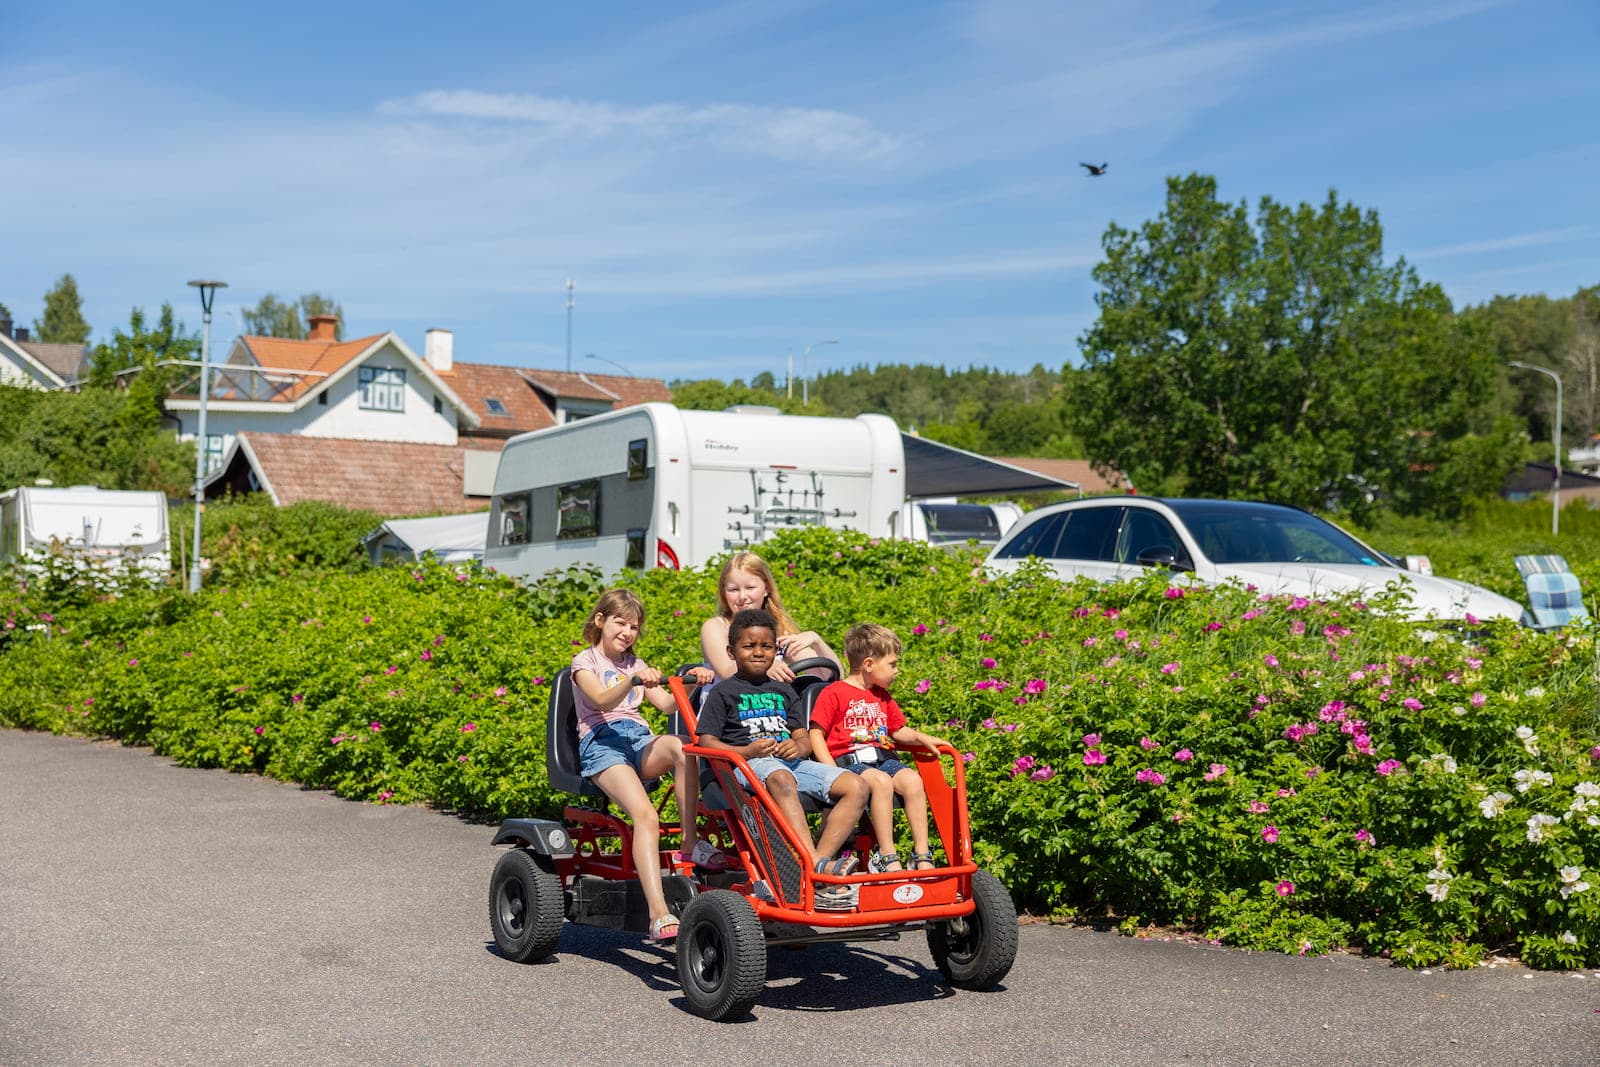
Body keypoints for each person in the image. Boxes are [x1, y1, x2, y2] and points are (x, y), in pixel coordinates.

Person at [571, 588, 721, 944]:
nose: (627, 632)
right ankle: (658, 914)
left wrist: (694, 681)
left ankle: (689, 843)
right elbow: (602, 698)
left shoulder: (635, 663)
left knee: (681, 747)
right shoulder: (585, 663)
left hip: (636, 739)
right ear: (600, 621)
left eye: (634, 626)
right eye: (620, 622)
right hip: (602, 744)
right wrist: (632, 680)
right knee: (647, 817)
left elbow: (668, 706)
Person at [695, 608, 869, 909]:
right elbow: (707, 741)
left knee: (856, 786)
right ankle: (816, 864)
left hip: (791, 761)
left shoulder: (784, 690)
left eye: (766, 646)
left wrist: (799, 746)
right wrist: (747, 752)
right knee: (780, 777)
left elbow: (801, 734)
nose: (758, 652)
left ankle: (816, 863)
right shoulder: (724, 693)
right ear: (731, 651)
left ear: (776, 651)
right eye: (749, 646)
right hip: (746, 765)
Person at [808, 623, 950, 872]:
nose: (897, 671)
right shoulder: (835, 692)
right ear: (869, 664)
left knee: (913, 781)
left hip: (883, 757)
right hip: (850, 760)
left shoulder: (882, 696)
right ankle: (886, 854)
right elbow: (816, 733)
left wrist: (922, 738)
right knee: (881, 782)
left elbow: (897, 730)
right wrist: (829, 770)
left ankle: (921, 853)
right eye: (893, 664)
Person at [700, 551, 839, 685]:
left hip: (769, 706)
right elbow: (727, 672)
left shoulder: (777, 630)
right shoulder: (716, 627)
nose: (742, 597)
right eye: (734, 590)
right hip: (725, 705)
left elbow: (829, 675)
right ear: (724, 592)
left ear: (766, 589)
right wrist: (766, 667)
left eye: (750, 588)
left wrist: (817, 641)